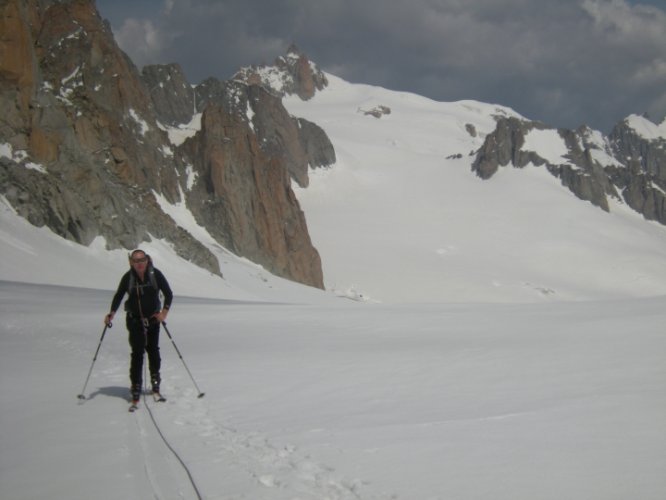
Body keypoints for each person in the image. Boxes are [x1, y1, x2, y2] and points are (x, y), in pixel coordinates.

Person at [104, 249, 173, 402]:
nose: (139, 263)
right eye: (136, 261)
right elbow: (119, 295)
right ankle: (136, 385)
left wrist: (164, 313)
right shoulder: (128, 278)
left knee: (153, 350)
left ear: (147, 260)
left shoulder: (155, 275)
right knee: (137, 353)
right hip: (134, 321)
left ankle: (155, 381)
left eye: (142, 260)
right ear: (131, 262)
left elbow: (169, 293)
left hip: (154, 320)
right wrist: (112, 313)